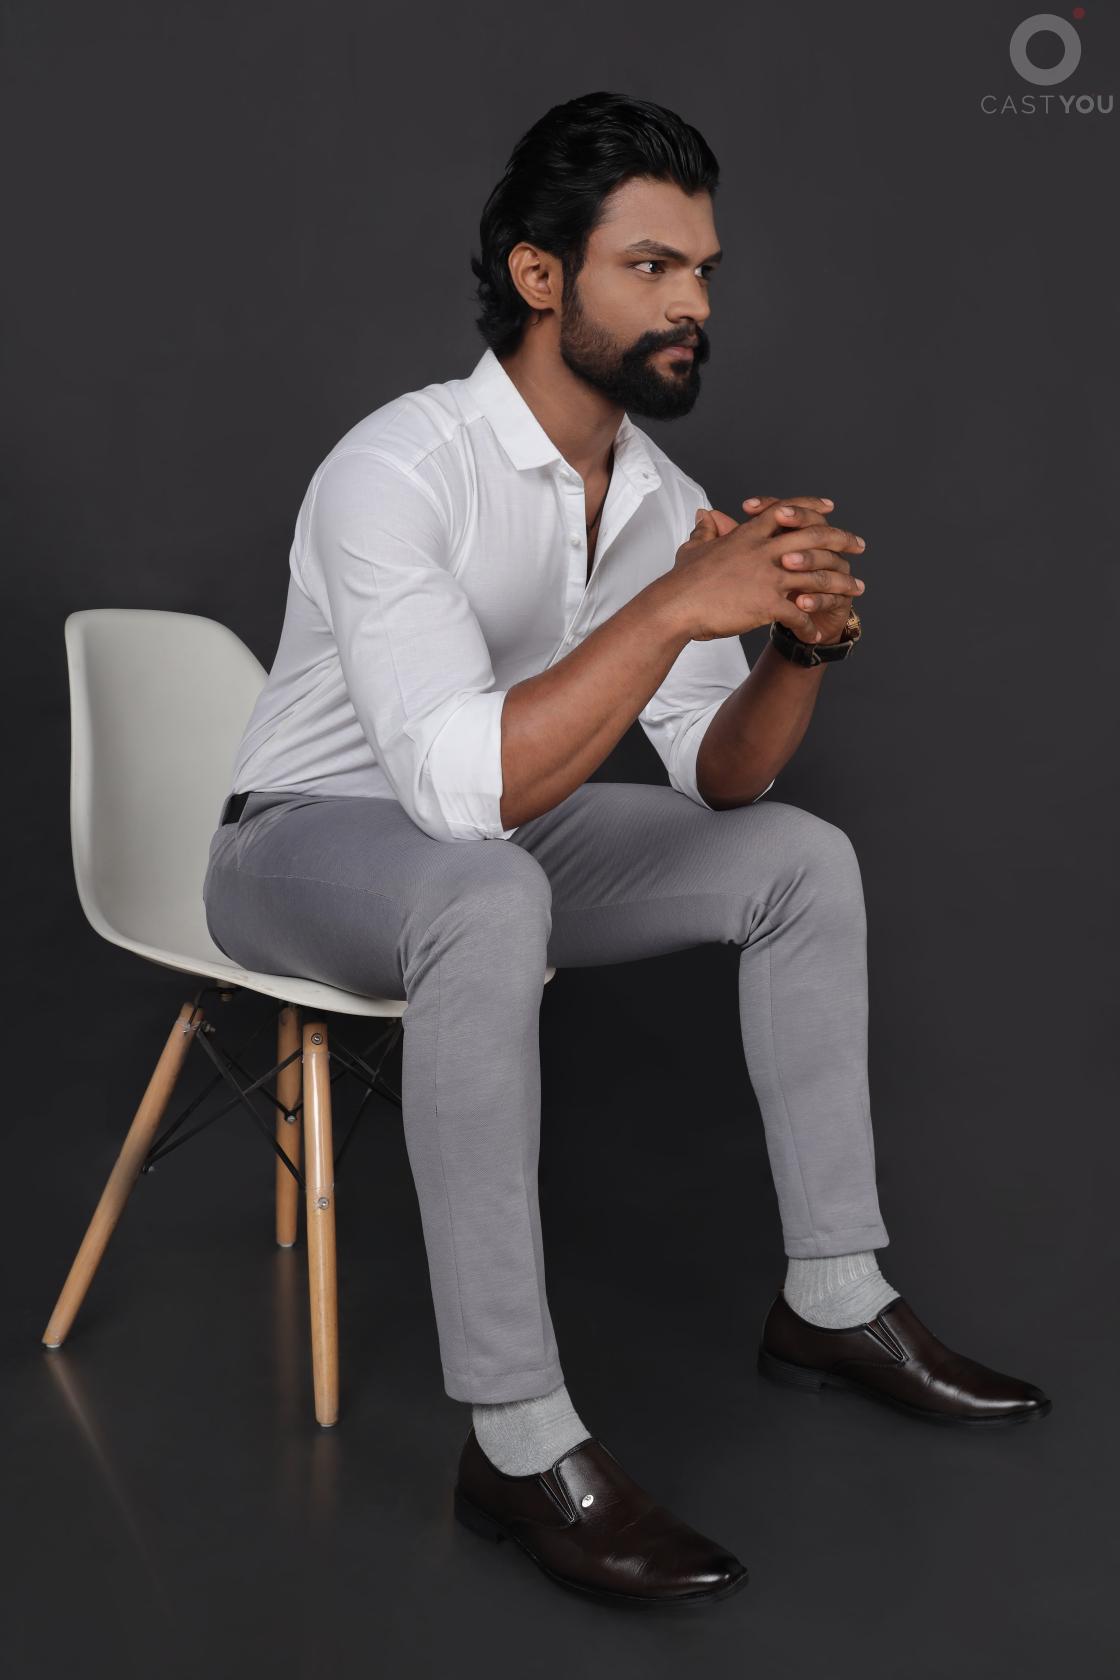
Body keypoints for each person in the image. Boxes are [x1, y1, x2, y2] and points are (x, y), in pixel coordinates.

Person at [202, 91, 1050, 1608]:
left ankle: (834, 1297)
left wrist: (795, 645)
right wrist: (671, 608)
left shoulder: (659, 498)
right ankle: (517, 1441)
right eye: (650, 267)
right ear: (542, 277)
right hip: (303, 844)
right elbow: (455, 789)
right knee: (482, 890)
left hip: (504, 835)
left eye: (702, 270)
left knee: (799, 858)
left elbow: (724, 779)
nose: (692, 303)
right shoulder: (397, 465)